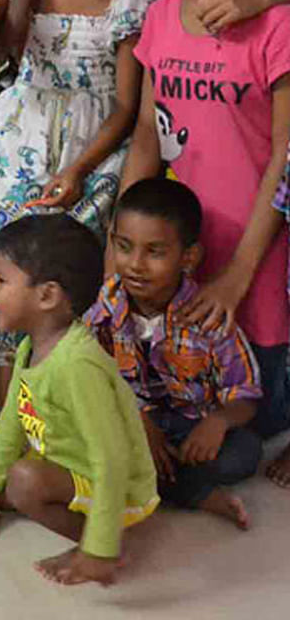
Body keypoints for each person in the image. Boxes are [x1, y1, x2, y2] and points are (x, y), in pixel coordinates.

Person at [120, 0, 290, 481]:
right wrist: (121, 239)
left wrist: (240, 274)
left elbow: (285, 156)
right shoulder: (162, 14)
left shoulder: (278, 24)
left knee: (261, 413)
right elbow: (147, 131)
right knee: (177, 389)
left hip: (258, 241)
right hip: (179, 241)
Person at [0, 0, 150, 410]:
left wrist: (78, 170)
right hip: (22, 143)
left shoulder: (126, 4)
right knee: (16, 270)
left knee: (68, 281)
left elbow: (126, 107)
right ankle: (10, 419)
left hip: (92, 154)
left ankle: (65, 409)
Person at [0, 215, 158, 587]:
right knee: (10, 483)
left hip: (119, 485)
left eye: (0, 281)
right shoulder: (30, 347)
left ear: (47, 296)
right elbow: (11, 424)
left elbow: (111, 458)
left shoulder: (77, 365)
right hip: (69, 462)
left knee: (23, 482)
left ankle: (102, 545)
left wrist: (99, 549)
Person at [85, 178, 263, 528]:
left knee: (244, 453)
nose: (135, 264)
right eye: (124, 247)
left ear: (188, 257)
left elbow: (244, 394)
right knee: (90, 432)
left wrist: (217, 422)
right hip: (128, 419)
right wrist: (137, 420)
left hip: (188, 425)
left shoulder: (207, 316)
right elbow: (88, 375)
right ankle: (191, 491)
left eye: (154, 252)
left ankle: (146, 479)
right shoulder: (106, 304)